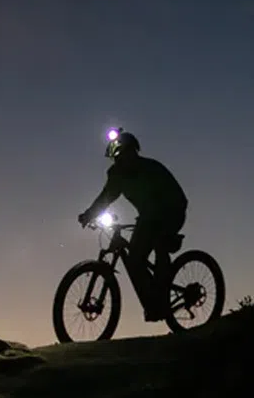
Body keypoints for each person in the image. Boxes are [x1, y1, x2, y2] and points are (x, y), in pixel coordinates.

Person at [78, 129, 189, 321]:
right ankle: (153, 303)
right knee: (135, 259)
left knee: (158, 246)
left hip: (172, 211)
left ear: (133, 152)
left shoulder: (150, 169)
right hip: (148, 217)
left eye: (124, 155)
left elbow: (172, 199)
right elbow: (106, 197)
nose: (120, 161)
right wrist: (89, 214)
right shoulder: (117, 175)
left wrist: (155, 226)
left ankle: (161, 297)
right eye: (117, 158)